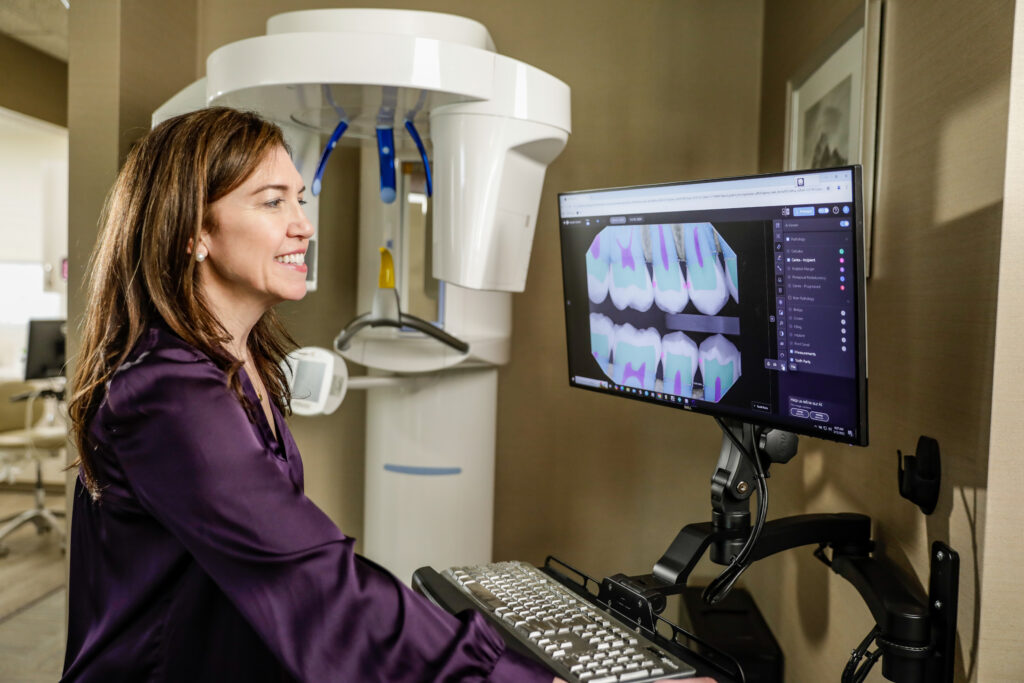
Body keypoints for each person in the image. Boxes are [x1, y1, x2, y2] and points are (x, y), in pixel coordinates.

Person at [61, 107, 565, 682]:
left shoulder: (238, 361)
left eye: (299, 199)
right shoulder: (167, 394)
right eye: (273, 201)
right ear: (194, 231)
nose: (304, 224)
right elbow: (313, 585)